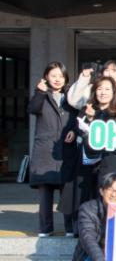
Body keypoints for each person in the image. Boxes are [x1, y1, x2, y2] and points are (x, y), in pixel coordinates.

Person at [60, 76, 116, 232]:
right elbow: (78, 127)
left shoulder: (115, 112)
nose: (103, 92)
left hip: (106, 161)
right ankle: (81, 228)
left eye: (107, 89)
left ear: (114, 92)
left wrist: (93, 120)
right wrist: (86, 121)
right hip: (86, 160)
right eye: (99, 89)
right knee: (83, 194)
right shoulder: (88, 108)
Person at [28, 62, 79, 237]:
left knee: (67, 193)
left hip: (66, 151)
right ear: (46, 77)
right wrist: (40, 92)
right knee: (45, 193)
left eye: (61, 76)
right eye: (53, 75)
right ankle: (45, 228)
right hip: (45, 152)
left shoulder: (71, 97)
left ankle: (70, 228)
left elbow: (78, 119)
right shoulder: (42, 94)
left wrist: (74, 131)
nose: (57, 79)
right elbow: (32, 109)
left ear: (66, 78)